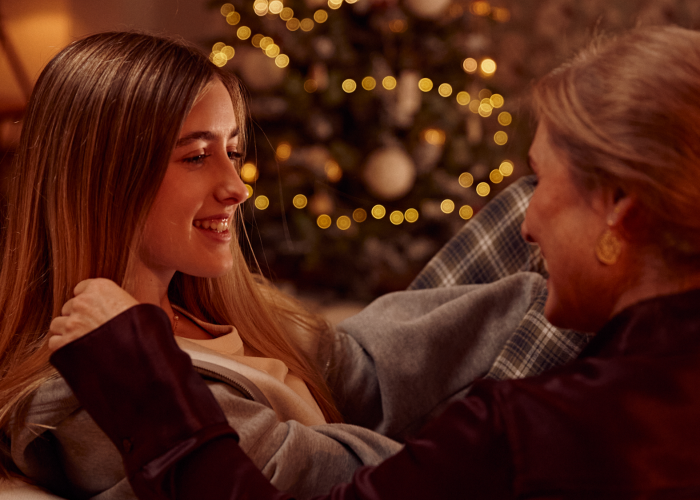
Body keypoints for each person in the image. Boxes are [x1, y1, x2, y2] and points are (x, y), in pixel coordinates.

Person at [47, 24, 700, 499]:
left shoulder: (519, 433)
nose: (240, 187)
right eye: (197, 155)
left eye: (235, 150)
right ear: (106, 179)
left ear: (618, 205)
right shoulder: (72, 392)